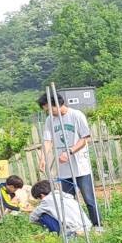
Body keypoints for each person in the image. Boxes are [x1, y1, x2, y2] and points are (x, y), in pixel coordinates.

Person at [38, 93, 102, 228]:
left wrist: (69, 151)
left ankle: (97, 225)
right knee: (68, 200)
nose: (49, 112)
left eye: (50, 109)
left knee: (89, 199)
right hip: (64, 169)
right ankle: (76, 226)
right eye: (46, 111)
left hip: (80, 166)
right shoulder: (50, 120)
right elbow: (48, 140)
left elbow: (85, 138)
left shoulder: (76, 115)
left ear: (58, 103)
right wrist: (43, 158)